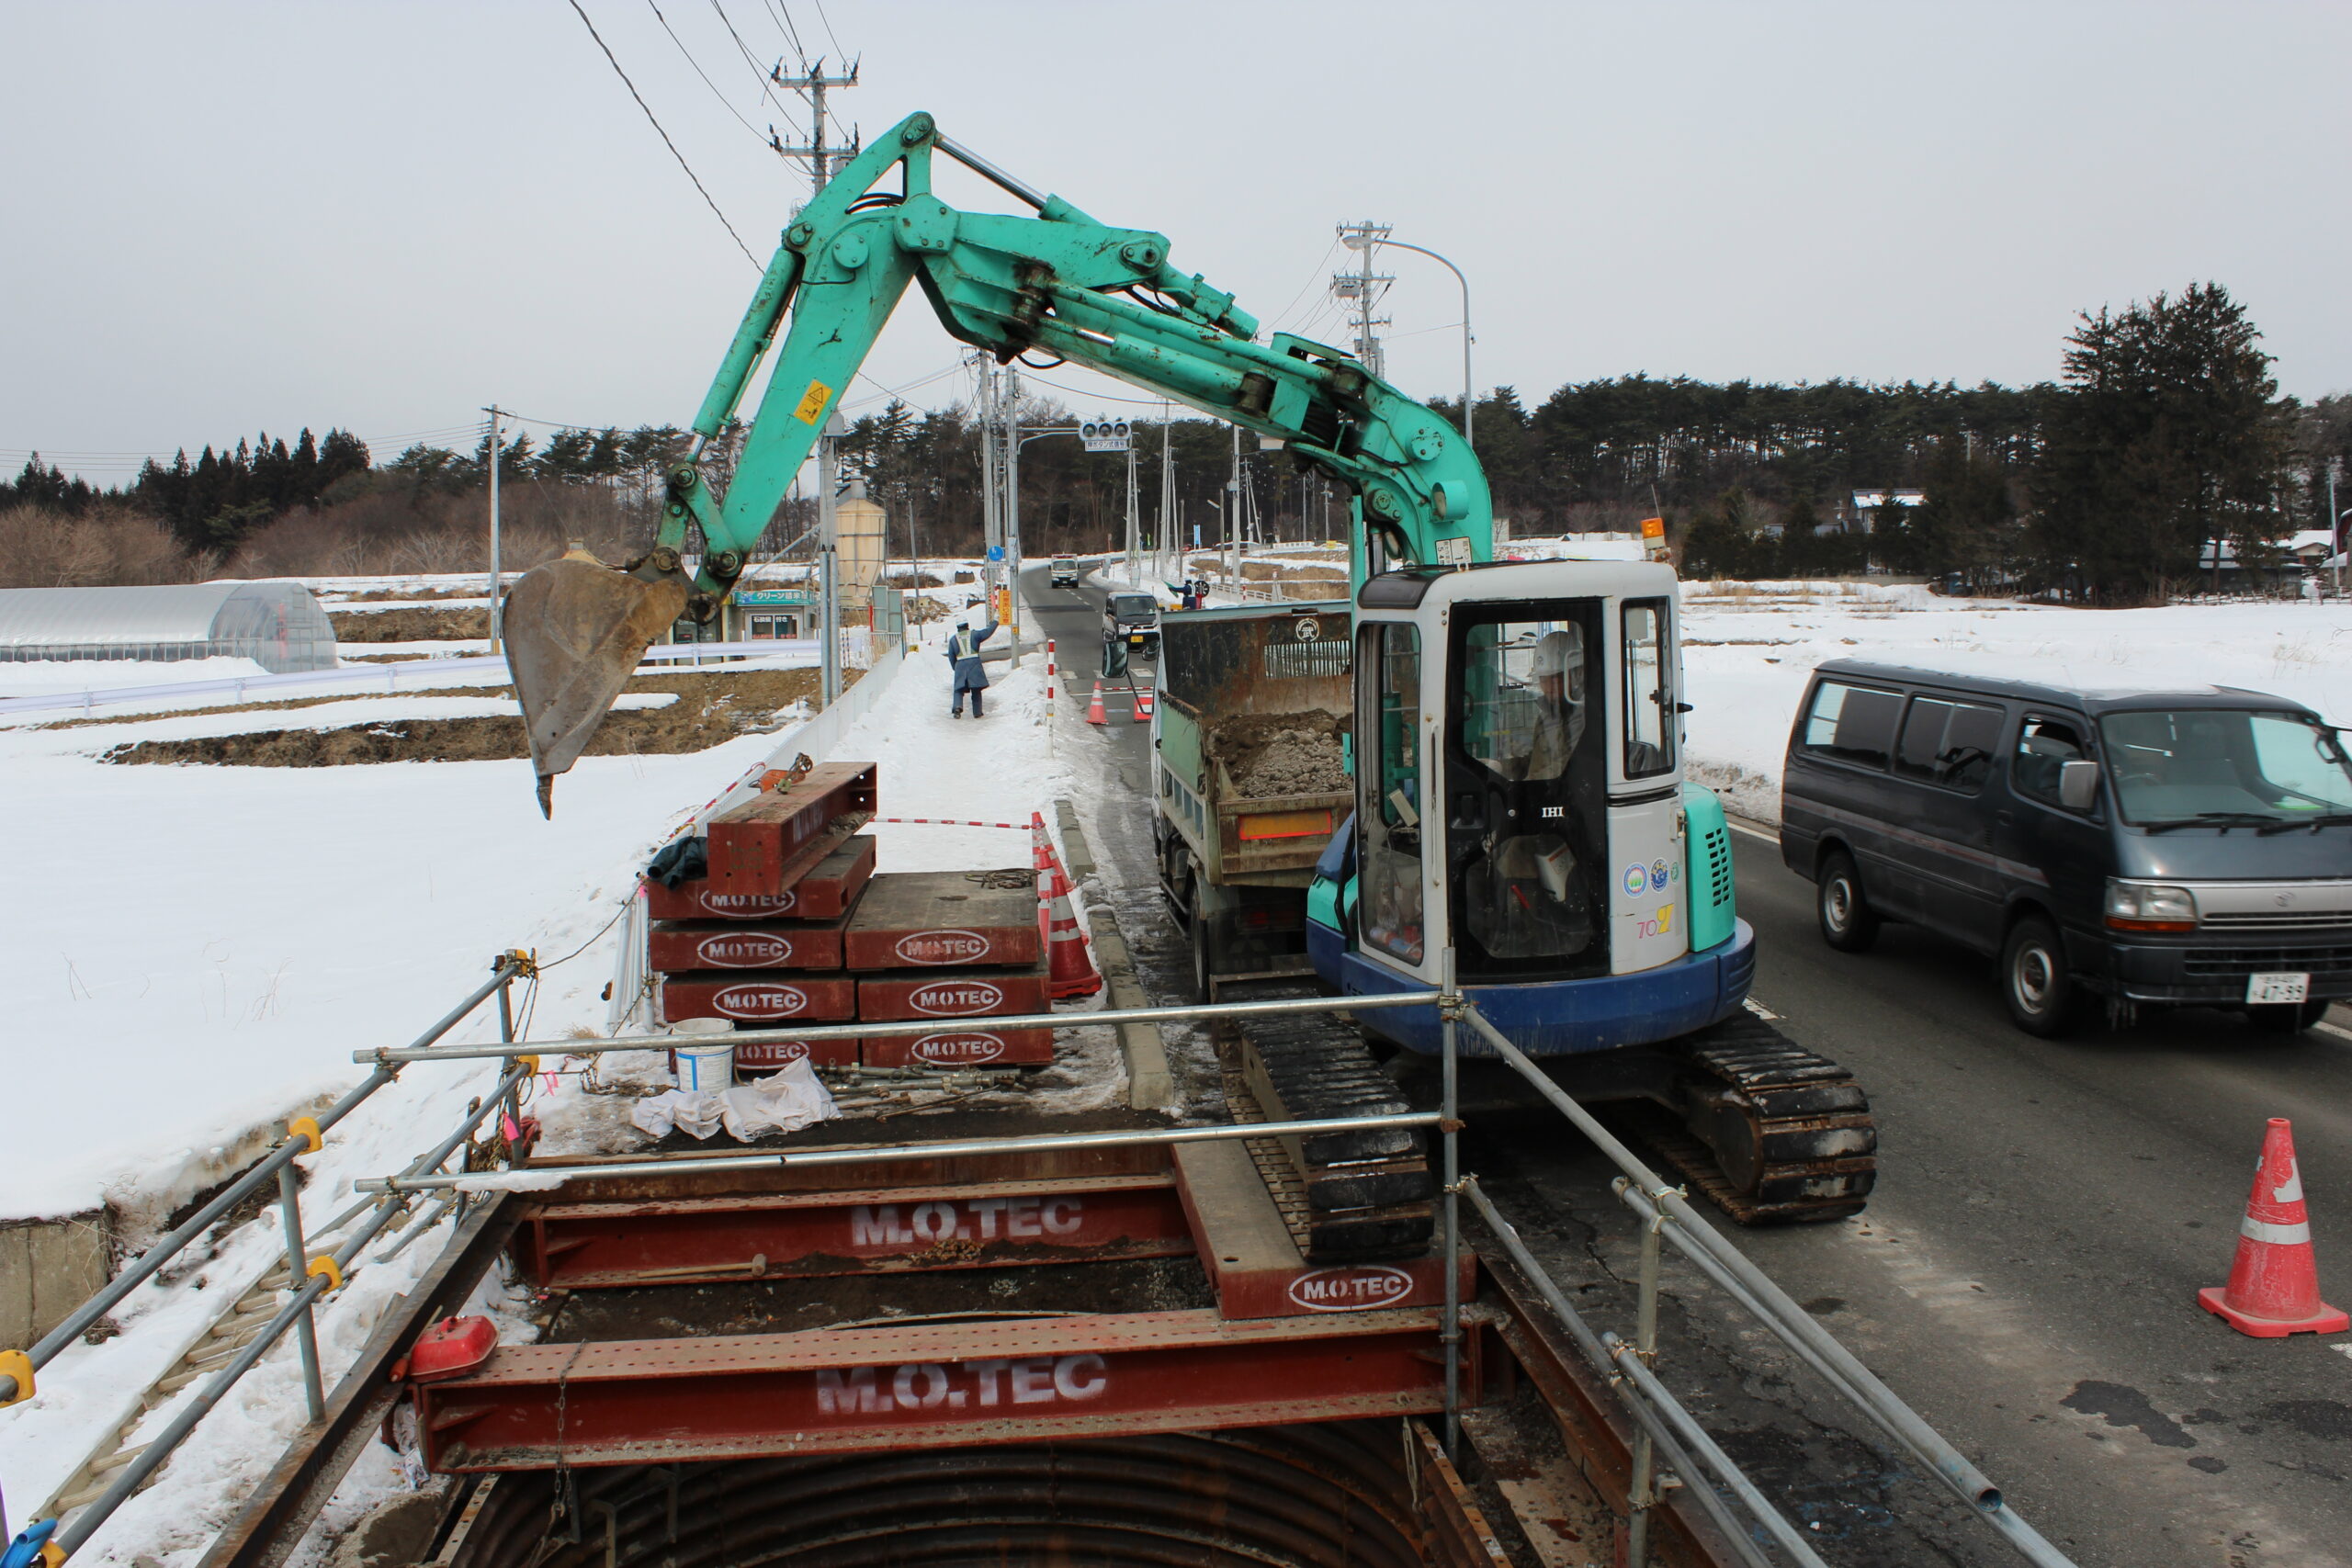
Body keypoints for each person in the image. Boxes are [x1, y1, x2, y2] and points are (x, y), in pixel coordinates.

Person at [945, 613, 996, 718]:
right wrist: (995, 622)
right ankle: (977, 712)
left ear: (958, 627)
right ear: (967, 625)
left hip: (960, 664)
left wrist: (956, 668)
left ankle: (957, 707)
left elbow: (951, 656)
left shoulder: (953, 639)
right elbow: (988, 632)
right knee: (976, 689)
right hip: (974, 664)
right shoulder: (975, 635)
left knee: (958, 689)